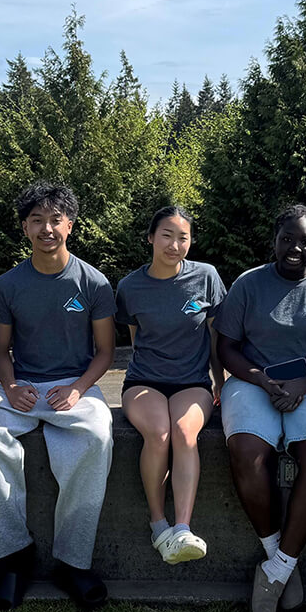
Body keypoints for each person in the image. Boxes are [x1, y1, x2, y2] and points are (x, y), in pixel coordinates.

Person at [0, 181, 115, 611]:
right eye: (37, 220)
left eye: (55, 220)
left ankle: (73, 561)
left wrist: (77, 389)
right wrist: (11, 388)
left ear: (70, 224)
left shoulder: (94, 282)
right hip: (23, 386)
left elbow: (105, 352)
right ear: (25, 227)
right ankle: (14, 556)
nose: (47, 228)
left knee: (97, 435)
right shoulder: (8, 285)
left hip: (75, 386)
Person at [216, 204, 306, 612]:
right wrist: (261, 381)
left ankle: (274, 570)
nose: (295, 247)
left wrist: (305, 385)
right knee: (248, 452)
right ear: (274, 240)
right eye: (287, 239)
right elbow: (227, 348)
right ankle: (280, 563)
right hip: (254, 382)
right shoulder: (248, 284)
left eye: (305, 240)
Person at [115, 206, 227, 565]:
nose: (175, 245)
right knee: (159, 433)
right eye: (166, 235)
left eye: (183, 237)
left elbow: (215, 339)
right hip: (143, 382)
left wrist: (220, 382)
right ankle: (157, 522)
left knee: (184, 431)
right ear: (150, 238)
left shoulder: (207, 277)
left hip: (192, 383)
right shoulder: (130, 286)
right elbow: (136, 339)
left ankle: (182, 528)